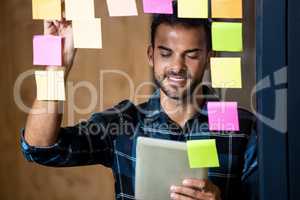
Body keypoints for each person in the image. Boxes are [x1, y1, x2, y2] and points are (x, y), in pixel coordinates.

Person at [20, 2, 258, 200]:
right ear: (151, 55)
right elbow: (40, 149)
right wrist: (56, 68)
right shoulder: (126, 122)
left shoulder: (241, 126)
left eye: (192, 55)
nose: (177, 66)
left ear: (209, 57)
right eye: (166, 53)